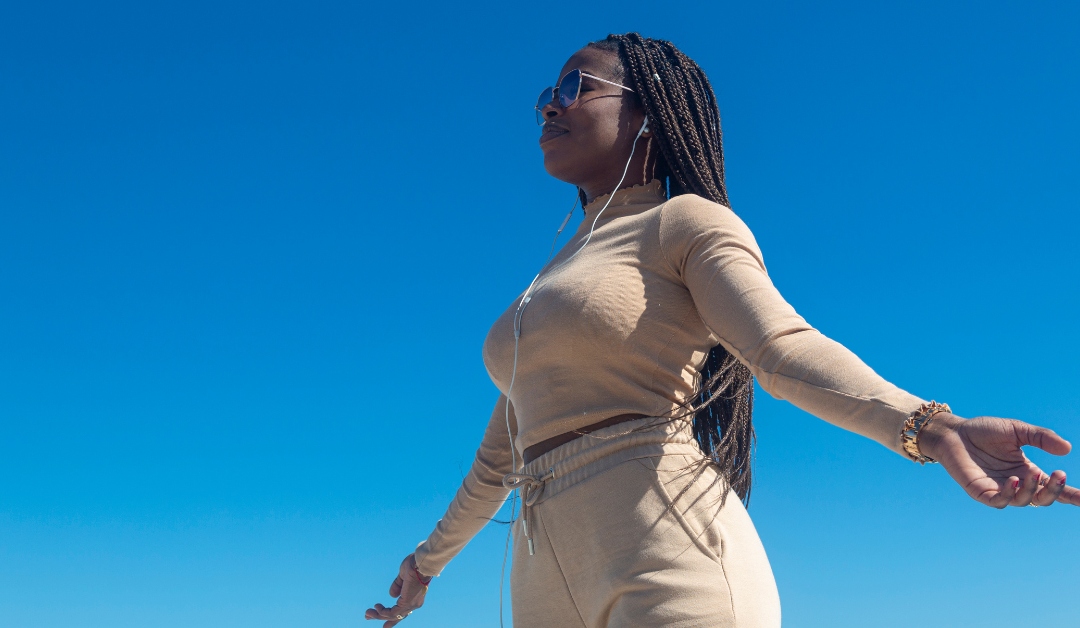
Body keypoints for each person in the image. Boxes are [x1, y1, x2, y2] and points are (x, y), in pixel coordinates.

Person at [365, 33, 1078, 628]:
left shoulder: (685, 224)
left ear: (648, 114)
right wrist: (427, 562)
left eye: (576, 85)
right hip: (541, 576)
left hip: (670, 556)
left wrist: (929, 425)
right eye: (548, 92)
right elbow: (501, 457)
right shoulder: (551, 278)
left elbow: (781, 349)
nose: (550, 102)